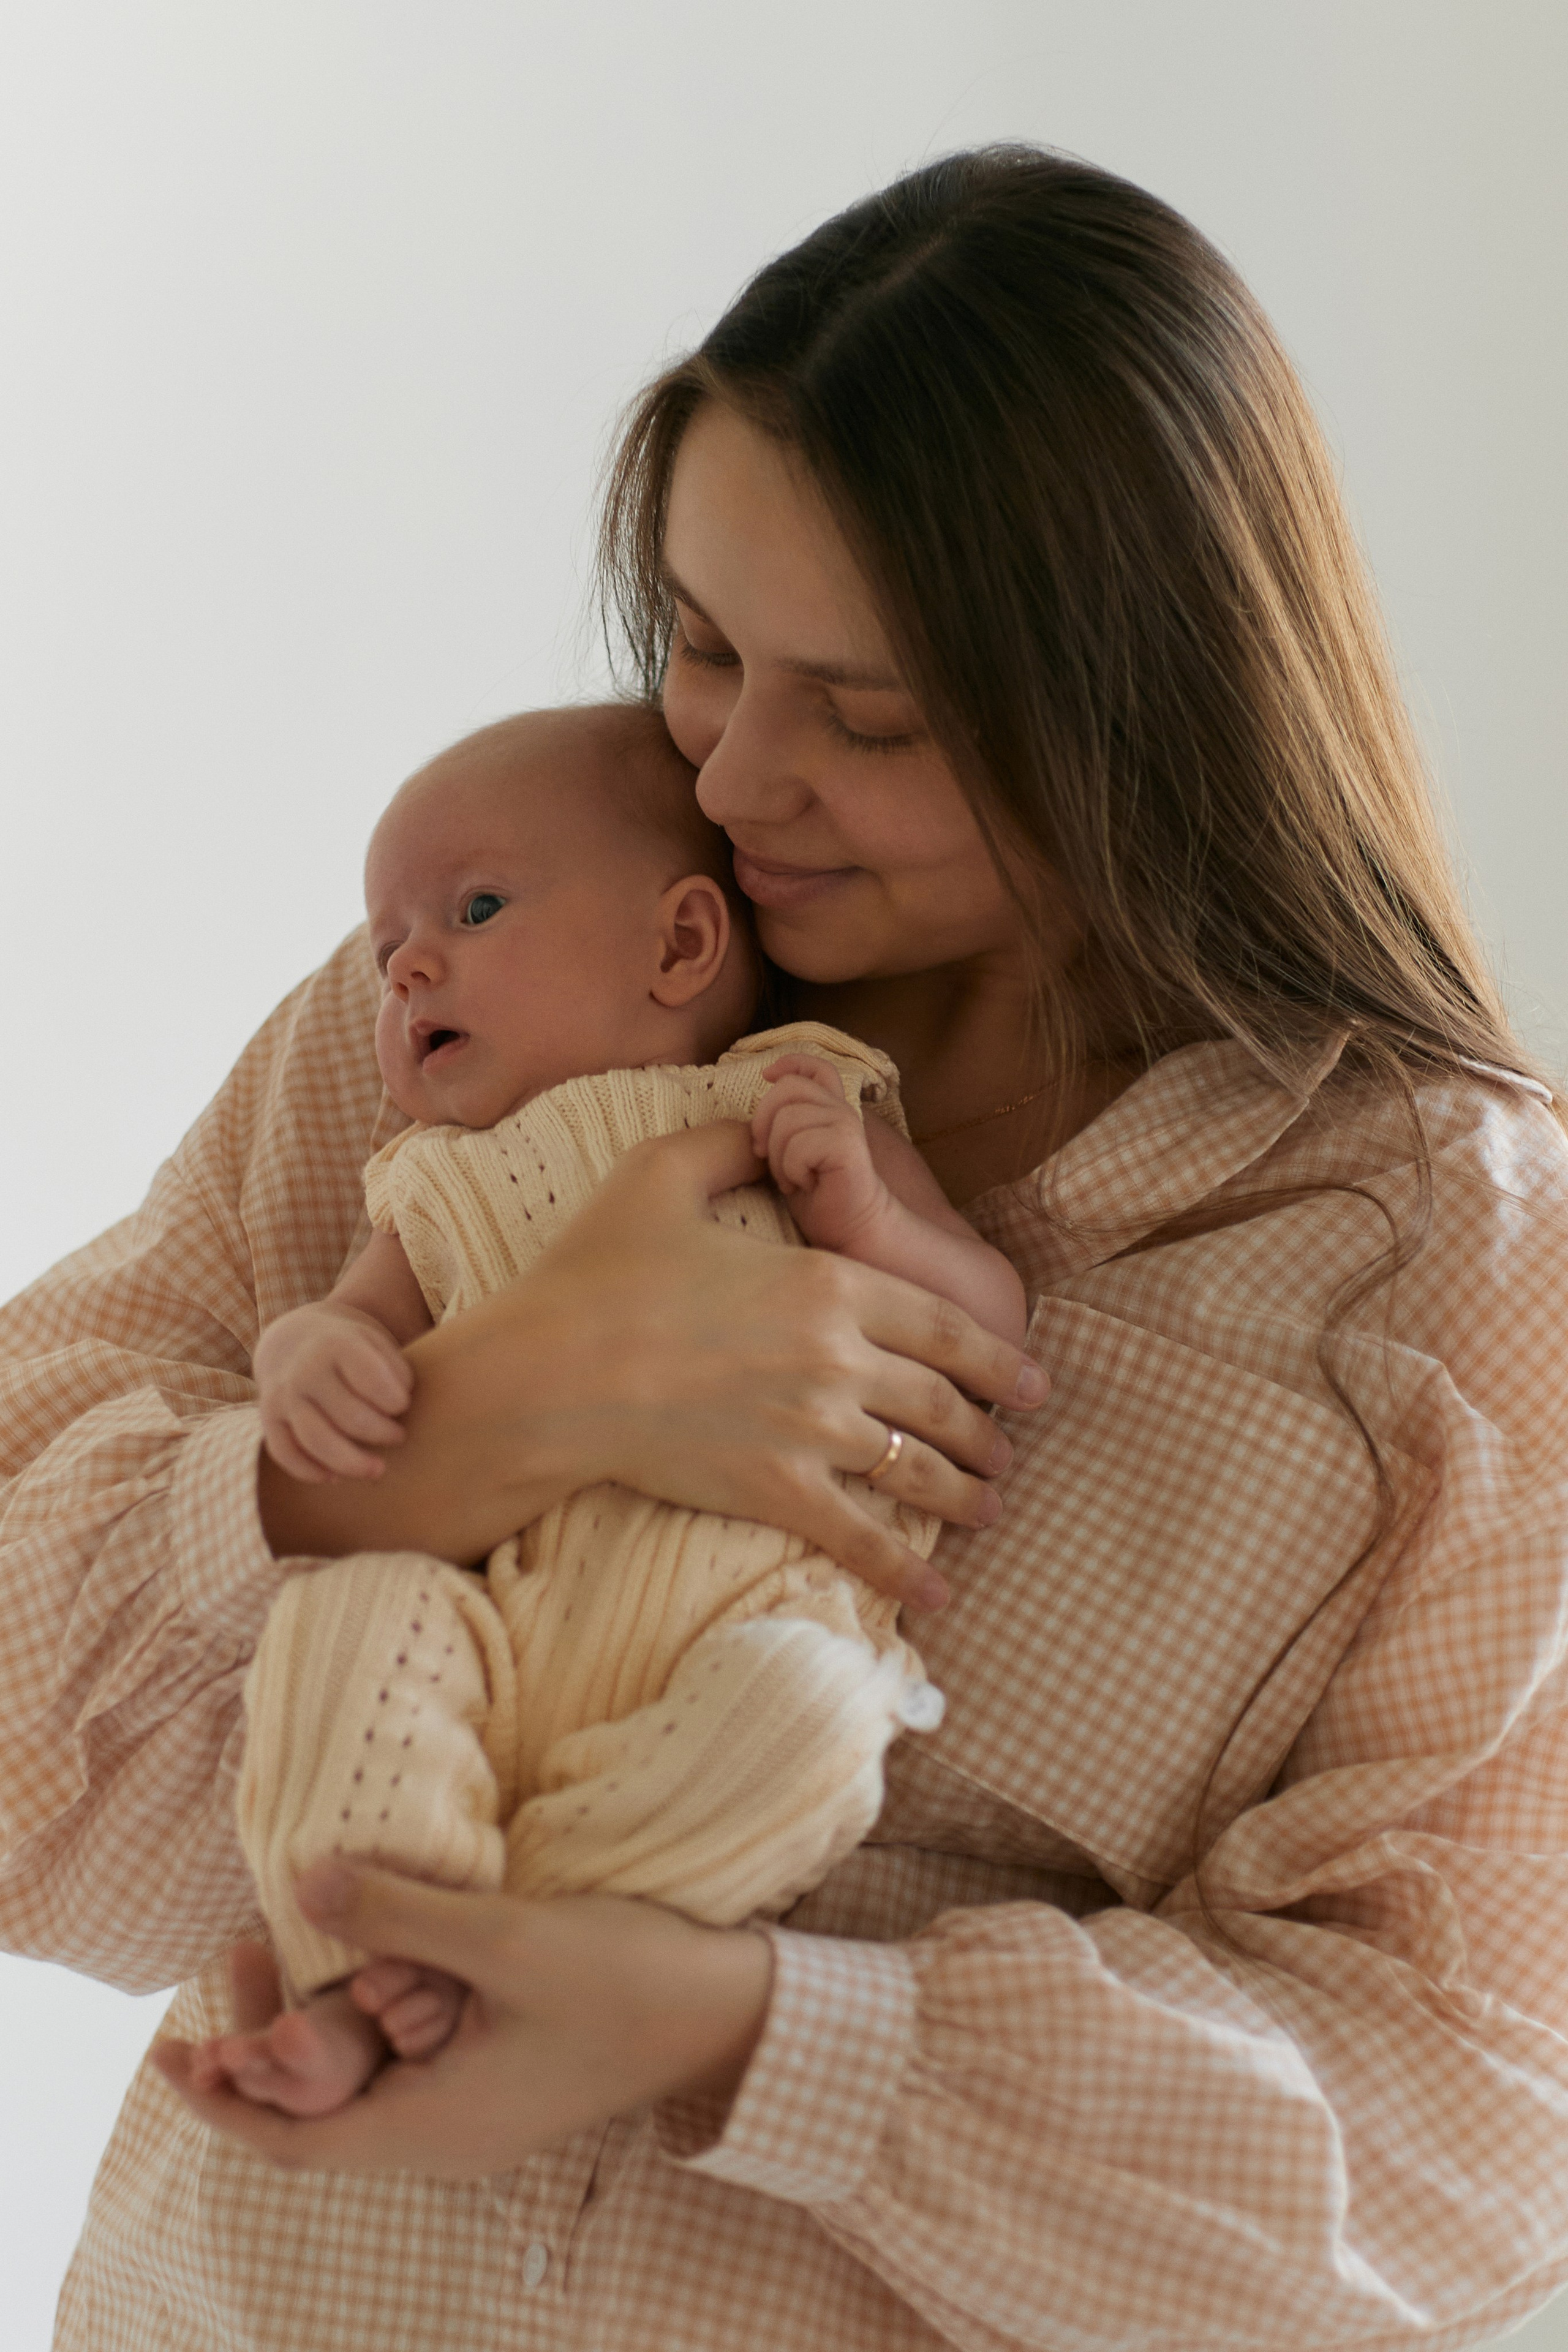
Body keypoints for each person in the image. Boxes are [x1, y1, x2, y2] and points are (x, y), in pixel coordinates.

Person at [4, 143, 1567, 2352]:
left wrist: (746, 2037)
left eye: (871, 713)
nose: (734, 777)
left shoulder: (1436, 1269)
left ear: (1154, 714)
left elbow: (1466, 2141)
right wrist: (445, 1439)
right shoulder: (471, 1009)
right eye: (704, 646)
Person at [210, 699, 1020, 2116]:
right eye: (390, 947)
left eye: (471, 908)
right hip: (492, 1621)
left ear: (681, 943)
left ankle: (516, 1951)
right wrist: (307, 1353)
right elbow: (352, 1322)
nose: (405, 965)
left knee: (814, 1722)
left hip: (746, 1625)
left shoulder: (800, 1092)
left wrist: (873, 1220)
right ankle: (351, 1974)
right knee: (336, 1624)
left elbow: (984, 1326)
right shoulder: (429, 1179)